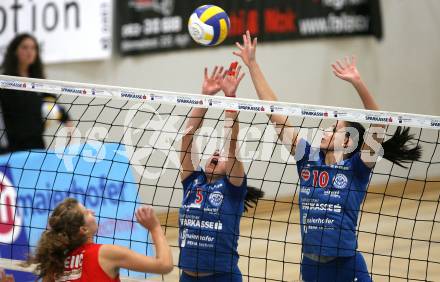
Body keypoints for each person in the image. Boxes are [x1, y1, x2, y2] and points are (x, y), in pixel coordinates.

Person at [233, 31, 421, 282]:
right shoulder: (307, 158)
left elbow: (379, 125)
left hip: (347, 267)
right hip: (312, 267)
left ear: (348, 141)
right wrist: (253, 64)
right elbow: (275, 113)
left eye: (334, 129)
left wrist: (358, 83)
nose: (325, 130)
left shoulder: (358, 167)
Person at [178, 65, 264, 282]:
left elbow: (231, 142)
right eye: (215, 152)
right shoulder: (192, 182)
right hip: (187, 277)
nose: (217, 152)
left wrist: (230, 98)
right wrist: (204, 97)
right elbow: (187, 138)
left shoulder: (232, 188)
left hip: (222, 277)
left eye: (222, 154)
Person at [26, 198, 173, 281]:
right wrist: (154, 227)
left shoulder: (55, 265)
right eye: (86, 212)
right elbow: (164, 265)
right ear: (83, 230)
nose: (92, 211)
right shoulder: (105, 253)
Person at [0, 33, 70, 154]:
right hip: (11, 148)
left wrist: (69, 124)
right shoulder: (5, 81)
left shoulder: (38, 82)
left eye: (33, 48)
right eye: (24, 47)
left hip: (37, 145)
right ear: (15, 51)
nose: (29, 52)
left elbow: (54, 105)